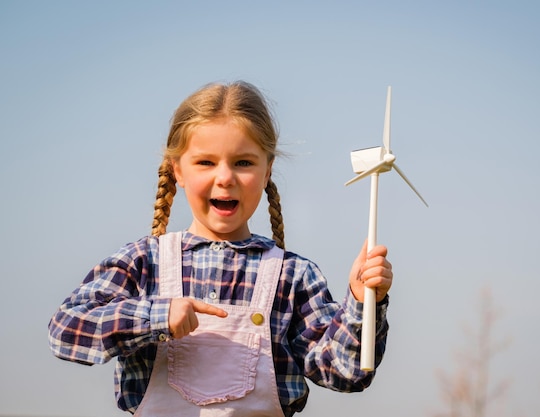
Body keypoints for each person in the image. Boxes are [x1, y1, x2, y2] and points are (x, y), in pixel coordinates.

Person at [48, 81, 393, 417]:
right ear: (177, 170)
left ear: (267, 169)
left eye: (243, 162)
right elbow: (66, 330)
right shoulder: (143, 262)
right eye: (206, 162)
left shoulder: (292, 276)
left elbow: (346, 373)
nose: (225, 177)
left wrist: (363, 303)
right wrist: (156, 316)